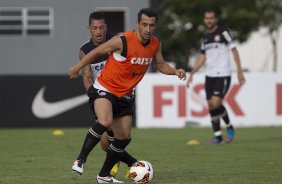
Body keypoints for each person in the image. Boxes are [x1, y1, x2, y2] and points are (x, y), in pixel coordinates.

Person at [70, 8, 186, 183]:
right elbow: (96, 52)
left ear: (155, 26)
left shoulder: (155, 43)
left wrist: (175, 71)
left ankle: (103, 176)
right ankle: (80, 159)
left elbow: (160, 64)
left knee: (123, 137)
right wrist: (77, 68)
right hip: (105, 88)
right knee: (105, 121)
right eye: (144, 24)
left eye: (151, 25)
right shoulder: (123, 40)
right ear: (137, 24)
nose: (148, 29)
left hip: (125, 95)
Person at [187, 8, 245, 144]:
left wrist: (240, 71)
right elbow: (202, 56)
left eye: (211, 18)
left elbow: (235, 51)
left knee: (216, 103)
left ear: (215, 19)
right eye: (207, 18)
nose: (209, 20)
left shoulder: (224, 33)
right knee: (211, 105)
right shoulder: (205, 37)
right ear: (204, 20)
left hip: (223, 74)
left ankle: (229, 127)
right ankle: (218, 135)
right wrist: (193, 72)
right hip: (210, 75)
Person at [72, 11, 119, 177]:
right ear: (89, 29)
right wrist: (94, 95)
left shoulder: (116, 41)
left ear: (106, 27)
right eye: (94, 28)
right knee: (105, 141)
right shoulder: (85, 51)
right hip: (101, 94)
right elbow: (87, 77)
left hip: (120, 93)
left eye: (101, 27)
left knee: (119, 135)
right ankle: (118, 161)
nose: (98, 31)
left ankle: (111, 165)